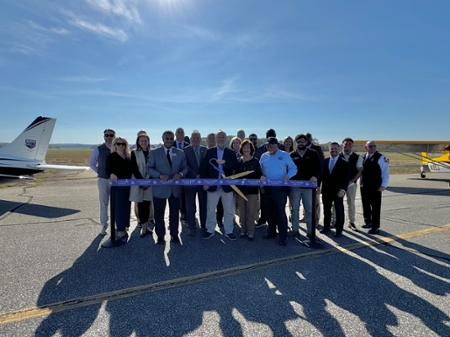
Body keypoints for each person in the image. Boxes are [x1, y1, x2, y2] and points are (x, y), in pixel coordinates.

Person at [146, 130, 188, 244]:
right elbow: (149, 168)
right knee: (159, 214)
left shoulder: (180, 152)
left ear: (173, 139)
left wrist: (180, 174)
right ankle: (160, 236)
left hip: (175, 190)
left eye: (171, 138)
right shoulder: (155, 153)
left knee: (174, 213)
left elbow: (185, 168)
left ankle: (174, 234)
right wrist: (159, 175)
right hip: (159, 190)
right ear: (163, 139)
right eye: (167, 138)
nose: (169, 140)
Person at [200, 130, 239, 240]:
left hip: (227, 186)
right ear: (216, 139)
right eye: (219, 137)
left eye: (223, 137)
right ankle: (210, 230)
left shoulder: (231, 153)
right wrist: (205, 182)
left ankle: (228, 231)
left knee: (229, 210)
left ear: (226, 139)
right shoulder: (209, 152)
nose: (221, 139)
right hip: (212, 186)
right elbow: (203, 168)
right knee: (211, 209)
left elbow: (236, 166)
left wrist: (225, 163)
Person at [259, 137, 297, 246]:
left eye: (271, 145)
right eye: (267, 145)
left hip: (280, 188)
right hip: (267, 188)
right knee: (269, 211)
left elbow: (293, 168)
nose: (269, 147)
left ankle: (282, 236)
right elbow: (260, 171)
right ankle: (271, 232)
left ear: (276, 145)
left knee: (280, 212)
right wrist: (261, 185)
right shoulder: (264, 156)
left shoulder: (284, 155)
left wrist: (288, 175)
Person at [289, 134, 322, 239]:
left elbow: (320, 168)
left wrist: (316, 177)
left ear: (306, 142)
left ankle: (310, 232)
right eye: (298, 141)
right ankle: (294, 230)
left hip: (309, 187)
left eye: (302, 141)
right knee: (294, 208)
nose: (300, 143)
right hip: (295, 187)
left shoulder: (313, 153)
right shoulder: (291, 155)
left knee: (309, 209)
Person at [254, 129, 285, 228]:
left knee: (278, 204)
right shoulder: (262, 148)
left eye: (272, 135)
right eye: (268, 135)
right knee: (264, 202)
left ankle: (277, 222)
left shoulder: (281, 147)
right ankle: (263, 219)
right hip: (265, 180)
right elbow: (258, 164)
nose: (270, 136)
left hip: (279, 182)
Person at [319, 142, 350, 238]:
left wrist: (343, 190)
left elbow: (346, 178)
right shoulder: (325, 161)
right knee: (326, 210)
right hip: (326, 191)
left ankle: (339, 230)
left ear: (339, 149)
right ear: (329, 150)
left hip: (338, 192)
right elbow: (320, 176)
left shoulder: (344, 163)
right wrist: (317, 186)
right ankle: (326, 227)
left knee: (339, 210)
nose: (334, 150)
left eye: (335, 148)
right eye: (332, 149)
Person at [88, 128, 115, 235]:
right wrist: (100, 172)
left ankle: (117, 224)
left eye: (111, 135)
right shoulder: (98, 149)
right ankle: (104, 224)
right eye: (107, 135)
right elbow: (91, 163)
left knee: (116, 203)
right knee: (104, 203)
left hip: (116, 181)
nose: (109, 137)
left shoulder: (118, 147)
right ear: (104, 137)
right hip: (103, 180)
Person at [234, 140, 262, 241]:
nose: (246, 149)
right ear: (241, 149)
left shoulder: (255, 161)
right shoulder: (238, 161)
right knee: (242, 211)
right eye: (244, 147)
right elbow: (235, 175)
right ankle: (243, 230)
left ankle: (251, 232)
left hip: (252, 191)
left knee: (251, 212)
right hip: (240, 191)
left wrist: (262, 176)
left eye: (248, 148)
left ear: (251, 149)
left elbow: (259, 173)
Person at [360, 140, 390, 234]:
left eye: (374, 146)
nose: (373, 148)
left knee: (375, 207)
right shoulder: (363, 157)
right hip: (364, 185)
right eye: (370, 146)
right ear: (366, 147)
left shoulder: (381, 158)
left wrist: (383, 185)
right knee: (365, 205)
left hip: (375, 187)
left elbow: (385, 173)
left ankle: (375, 226)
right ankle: (368, 222)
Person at [107, 136, 133, 240]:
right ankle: (120, 230)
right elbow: (108, 169)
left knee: (127, 206)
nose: (121, 146)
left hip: (128, 185)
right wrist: (111, 174)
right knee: (118, 207)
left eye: (123, 144)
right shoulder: (112, 157)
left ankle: (125, 226)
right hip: (117, 185)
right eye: (118, 144)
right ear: (115, 145)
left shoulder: (129, 157)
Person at [183, 130, 207, 235]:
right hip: (190, 182)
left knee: (203, 206)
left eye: (198, 138)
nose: (196, 140)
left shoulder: (205, 150)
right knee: (190, 206)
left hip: (202, 183)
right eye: (194, 138)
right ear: (191, 139)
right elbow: (184, 165)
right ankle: (191, 227)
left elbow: (206, 165)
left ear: (200, 139)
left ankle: (204, 227)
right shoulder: (184, 150)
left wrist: (201, 175)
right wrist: (195, 175)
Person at [130, 133, 154, 237]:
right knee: (141, 205)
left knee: (147, 204)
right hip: (138, 182)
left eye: (145, 141)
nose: (144, 143)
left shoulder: (153, 153)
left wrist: (148, 181)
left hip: (150, 182)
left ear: (148, 142)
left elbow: (154, 167)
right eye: (141, 141)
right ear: (138, 142)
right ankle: (143, 228)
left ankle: (147, 226)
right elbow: (134, 168)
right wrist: (141, 181)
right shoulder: (134, 153)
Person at [340, 138, 363, 231]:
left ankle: (351, 221)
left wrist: (352, 181)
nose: (348, 146)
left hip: (351, 184)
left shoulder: (357, 157)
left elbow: (359, 171)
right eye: (346, 144)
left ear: (352, 146)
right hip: (339, 184)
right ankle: (335, 220)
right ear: (343, 145)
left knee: (351, 203)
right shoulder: (338, 155)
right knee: (336, 203)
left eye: (350, 144)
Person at [304, 132, 325, 224]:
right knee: (306, 201)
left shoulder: (317, 148)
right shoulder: (301, 149)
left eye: (308, 138)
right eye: (305, 138)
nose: (307, 140)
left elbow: (321, 165)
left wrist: (318, 183)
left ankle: (316, 220)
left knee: (315, 202)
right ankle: (305, 217)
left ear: (311, 139)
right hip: (304, 181)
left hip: (315, 180)